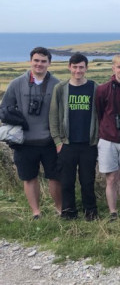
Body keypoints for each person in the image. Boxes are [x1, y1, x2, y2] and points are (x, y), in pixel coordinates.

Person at [0, 47, 61, 219]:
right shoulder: (17, 83)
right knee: (29, 178)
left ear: (49, 63)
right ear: (30, 61)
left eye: (43, 61)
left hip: (50, 141)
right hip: (24, 141)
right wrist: (14, 124)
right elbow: (4, 110)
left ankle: (60, 209)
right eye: (36, 60)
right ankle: (36, 213)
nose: (39, 64)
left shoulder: (57, 84)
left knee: (55, 177)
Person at [49, 52, 99, 221]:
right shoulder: (61, 88)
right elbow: (53, 116)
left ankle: (90, 212)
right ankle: (69, 212)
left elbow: (100, 115)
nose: (78, 70)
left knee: (87, 181)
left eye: (81, 67)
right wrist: (57, 141)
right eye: (75, 67)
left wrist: (97, 139)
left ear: (86, 68)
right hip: (67, 143)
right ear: (69, 67)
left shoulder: (94, 87)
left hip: (88, 144)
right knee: (67, 181)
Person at [94, 53, 120, 220]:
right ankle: (112, 211)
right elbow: (99, 112)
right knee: (111, 178)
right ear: (113, 68)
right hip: (108, 138)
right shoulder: (103, 89)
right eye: (119, 67)